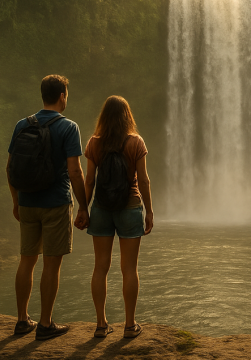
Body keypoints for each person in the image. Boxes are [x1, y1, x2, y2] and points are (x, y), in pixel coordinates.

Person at [7, 74, 88, 340]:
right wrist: (84, 205)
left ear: (43, 95)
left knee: (27, 261)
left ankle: (21, 320)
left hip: (27, 201)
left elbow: (10, 168)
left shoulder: (22, 124)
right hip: (55, 203)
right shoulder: (69, 127)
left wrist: (16, 201)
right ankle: (45, 323)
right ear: (62, 96)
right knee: (51, 265)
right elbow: (75, 171)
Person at [83, 96, 154, 339]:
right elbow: (143, 180)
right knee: (129, 269)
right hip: (130, 206)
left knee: (100, 267)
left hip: (101, 208)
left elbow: (90, 179)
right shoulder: (136, 142)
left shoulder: (95, 143)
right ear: (127, 116)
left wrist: (83, 208)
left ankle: (101, 325)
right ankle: (130, 325)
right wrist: (150, 210)